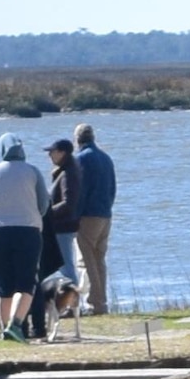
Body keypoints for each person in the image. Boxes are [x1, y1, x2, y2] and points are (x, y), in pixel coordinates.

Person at [0, 135, 52, 339]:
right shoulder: (33, 171)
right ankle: (16, 324)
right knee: (26, 282)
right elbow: (44, 205)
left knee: (3, 284)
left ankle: (4, 329)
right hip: (27, 230)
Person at [67, 119, 118, 314]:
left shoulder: (80, 159)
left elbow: (80, 191)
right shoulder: (106, 158)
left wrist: (74, 216)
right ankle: (101, 301)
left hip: (88, 216)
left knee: (86, 260)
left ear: (76, 140)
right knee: (99, 260)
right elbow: (113, 188)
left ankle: (94, 303)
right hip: (105, 214)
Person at [41, 137, 81, 316]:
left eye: (52, 151)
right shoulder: (64, 171)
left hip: (64, 227)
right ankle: (71, 305)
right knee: (65, 266)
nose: (49, 155)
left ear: (62, 153)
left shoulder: (68, 174)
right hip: (62, 226)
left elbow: (68, 203)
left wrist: (47, 213)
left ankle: (73, 306)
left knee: (66, 267)